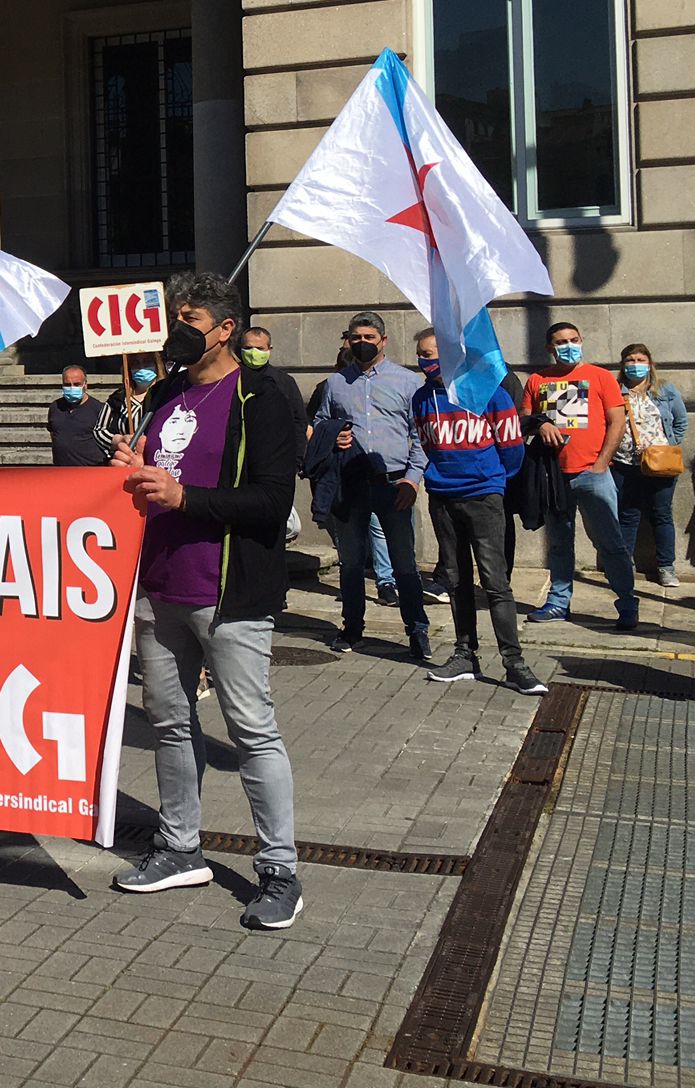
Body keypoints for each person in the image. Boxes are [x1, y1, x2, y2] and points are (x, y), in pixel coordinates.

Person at [110, 272, 302, 931]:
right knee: (168, 720)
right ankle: (179, 846)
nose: (177, 328)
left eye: (189, 319)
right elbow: (155, 472)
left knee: (251, 731)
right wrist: (131, 472)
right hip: (160, 585)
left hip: (229, 591)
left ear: (224, 329)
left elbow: (273, 501)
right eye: (175, 317)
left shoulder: (264, 395)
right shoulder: (166, 392)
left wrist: (185, 497)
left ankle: (279, 871)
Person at [410, 329, 544, 693]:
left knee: (495, 581)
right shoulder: (422, 398)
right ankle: (464, 654)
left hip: (483, 496)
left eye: (432, 353)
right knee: (456, 580)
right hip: (442, 496)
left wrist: (492, 479)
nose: (426, 361)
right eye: (422, 354)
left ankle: (514, 663)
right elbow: (427, 443)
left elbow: (512, 447)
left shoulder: (488, 392)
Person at [311, 312, 432, 660]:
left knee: (404, 562)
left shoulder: (407, 382)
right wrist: (334, 436)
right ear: (348, 341)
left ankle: (417, 629)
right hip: (350, 484)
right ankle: (352, 627)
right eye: (356, 338)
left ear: (383, 341)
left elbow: (420, 435)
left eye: (369, 337)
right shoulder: (336, 383)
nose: (362, 343)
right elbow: (320, 424)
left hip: (394, 483)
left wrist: (413, 479)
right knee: (350, 562)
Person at [522, 322, 638, 628]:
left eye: (573, 339)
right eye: (561, 342)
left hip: (593, 474)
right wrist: (540, 424)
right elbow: (524, 420)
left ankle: (627, 602)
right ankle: (559, 602)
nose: (569, 346)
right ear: (550, 348)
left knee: (610, 543)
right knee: (559, 544)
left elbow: (617, 422)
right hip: (553, 477)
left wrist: (601, 463)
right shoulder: (537, 380)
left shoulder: (600, 377)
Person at [611, 342, 687, 588]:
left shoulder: (664, 389)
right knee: (628, 515)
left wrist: (668, 445)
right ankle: (624, 566)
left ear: (650, 364)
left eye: (641, 360)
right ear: (623, 365)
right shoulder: (615, 390)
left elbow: (681, 421)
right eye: (630, 360)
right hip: (625, 463)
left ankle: (666, 567)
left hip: (660, 463)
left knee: (661, 514)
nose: (636, 365)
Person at [240, 327, 308, 466]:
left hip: (275, 457)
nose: (253, 353)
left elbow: (299, 421)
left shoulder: (284, 381)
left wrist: (297, 460)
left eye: (260, 348)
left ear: (269, 349)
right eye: (248, 348)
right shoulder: (231, 377)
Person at [48, 365, 112, 467]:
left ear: (85, 385)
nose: (72, 388)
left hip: (90, 470)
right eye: (67, 385)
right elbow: (54, 435)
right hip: (61, 470)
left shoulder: (99, 409)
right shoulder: (55, 407)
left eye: (77, 384)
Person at [98, 353, 163, 448]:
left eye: (147, 362)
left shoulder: (168, 394)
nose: (141, 367)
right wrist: (120, 440)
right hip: (127, 454)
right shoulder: (118, 398)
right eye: (135, 363)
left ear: (157, 365)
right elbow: (99, 430)